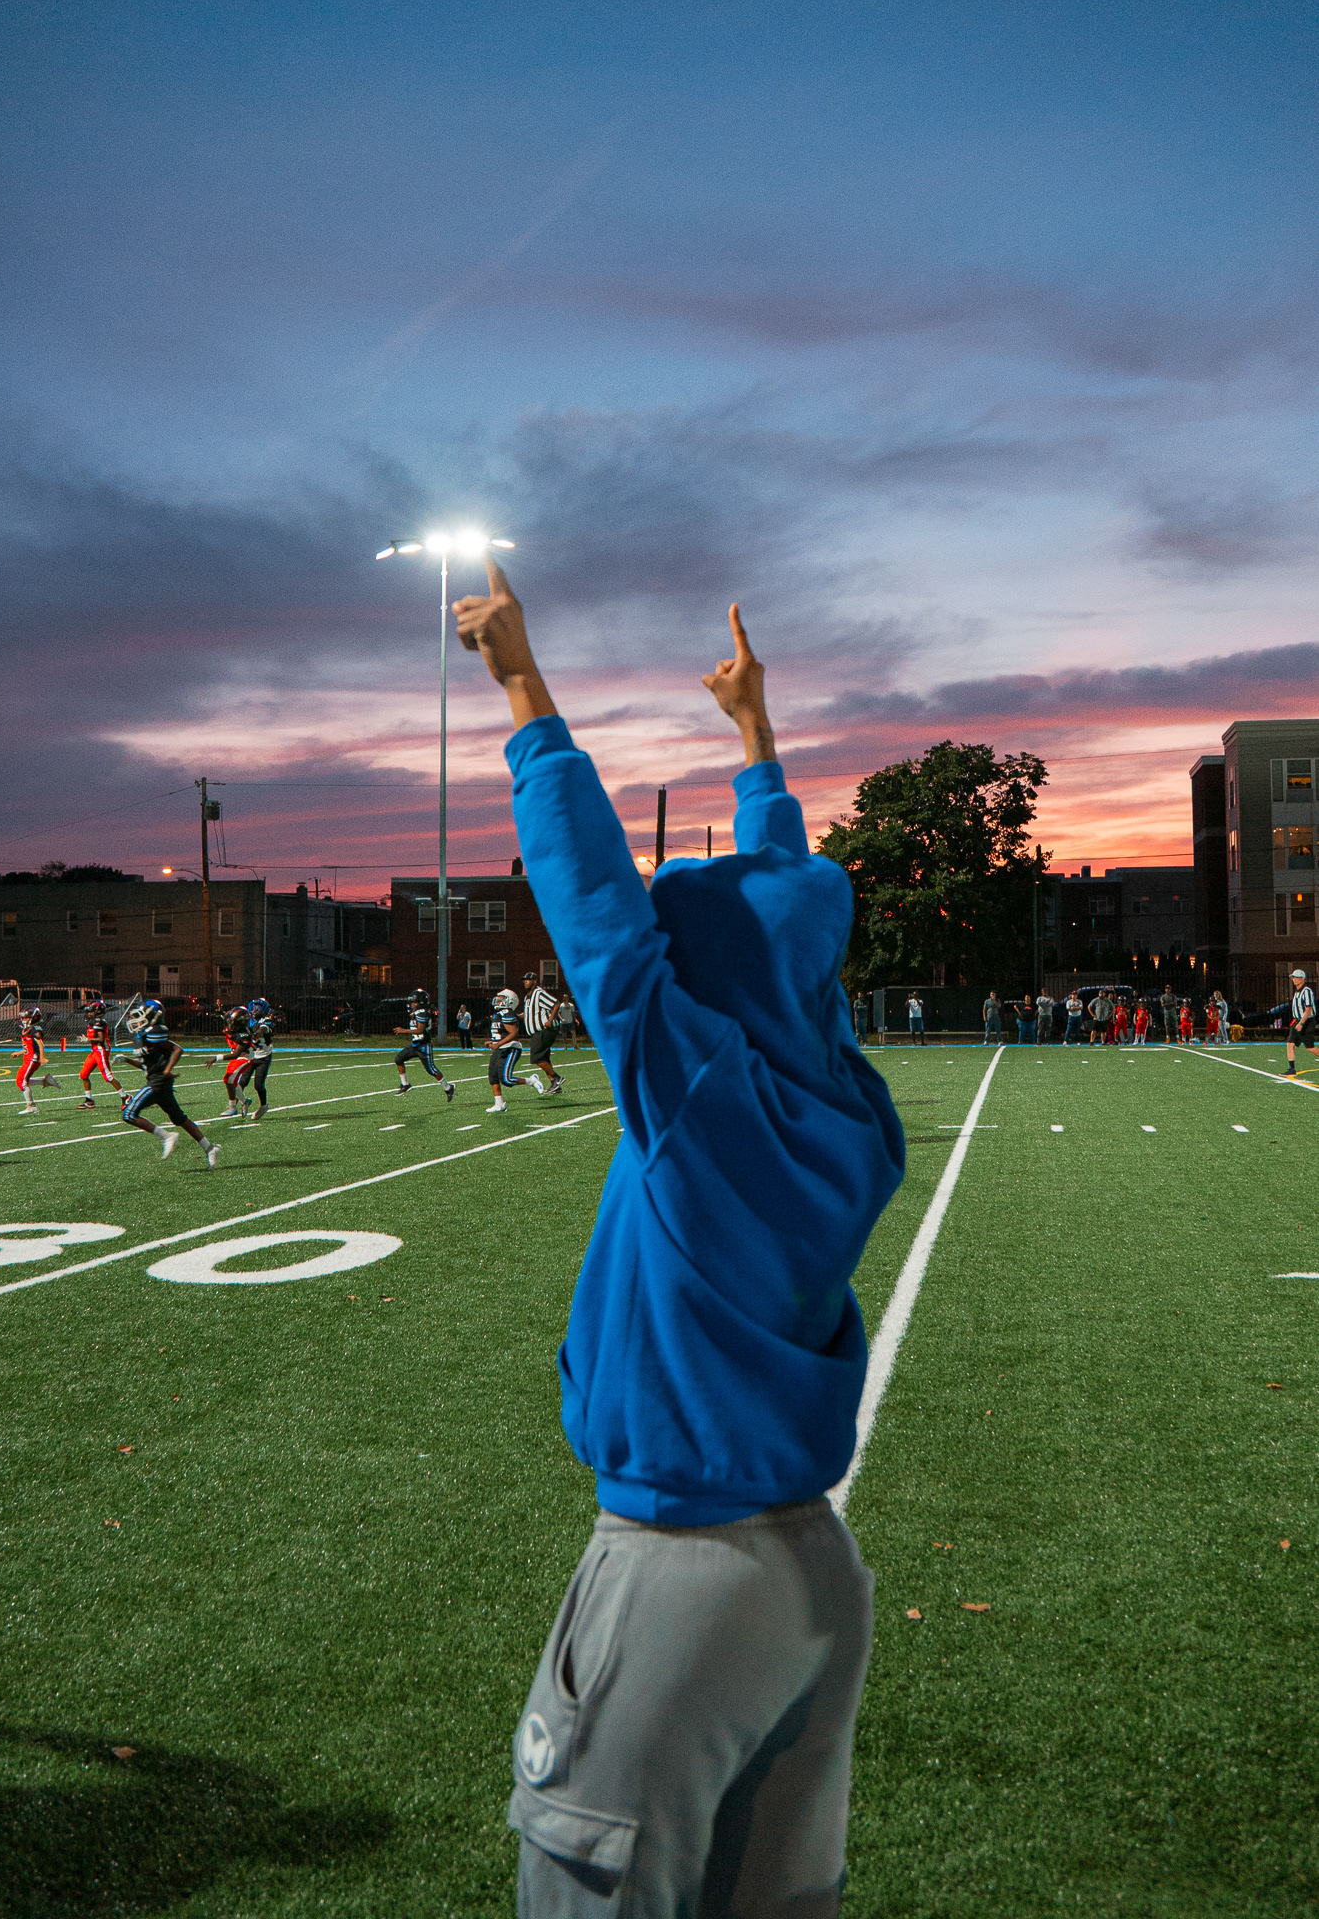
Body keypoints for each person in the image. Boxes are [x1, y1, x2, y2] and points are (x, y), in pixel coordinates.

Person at [450, 560, 904, 1919]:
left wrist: (525, 689)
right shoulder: (837, 1107)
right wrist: (756, 745)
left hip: (682, 1574)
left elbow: (599, 925)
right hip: (807, 1580)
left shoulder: (703, 1114)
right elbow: (785, 907)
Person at [118, 1000, 220, 1165]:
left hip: (158, 1083)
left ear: (153, 1017)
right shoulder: (144, 1036)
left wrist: (167, 1070)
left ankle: (167, 1136)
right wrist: (127, 1060)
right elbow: (147, 1066)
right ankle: (210, 1148)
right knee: (179, 1119)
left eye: (140, 1016)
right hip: (160, 1082)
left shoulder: (155, 1032)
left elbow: (178, 1049)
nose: (136, 1020)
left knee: (129, 1114)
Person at [393, 990, 455, 1103]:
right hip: (415, 1045)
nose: (412, 1004)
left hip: (424, 1046)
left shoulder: (422, 1012)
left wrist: (403, 1031)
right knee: (398, 1059)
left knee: (431, 1070)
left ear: (420, 1002)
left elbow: (420, 1030)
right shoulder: (417, 1012)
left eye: (414, 1002)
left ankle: (448, 1088)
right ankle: (405, 1084)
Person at [486, 986, 536, 1113]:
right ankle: (499, 1103)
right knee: (493, 1076)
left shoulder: (507, 1013)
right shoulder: (498, 1014)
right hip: (500, 1048)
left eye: (502, 998)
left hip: (510, 1048)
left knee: (506, 1080)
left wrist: (497, 1044)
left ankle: (531, 1080)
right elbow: (501, 1033)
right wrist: (493, 1042)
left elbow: (513, 1034)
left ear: (510, 1001)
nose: (498, 1000)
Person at [522, 971, 565, 1094]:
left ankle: (557, 1078)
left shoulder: (539, 993)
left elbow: (556, 1003)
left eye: (528, 979)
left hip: (544, 1031)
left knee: (536, 1057)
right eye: (524, 980)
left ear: (535, 981)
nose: (525, 981)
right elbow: (530, 1013)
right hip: (537, 1032)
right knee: (544, 1058)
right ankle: (555, 1084)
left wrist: (550, 1019)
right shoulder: (527, 997)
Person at [15, 1005, 61, 1116]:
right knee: (20, 1081)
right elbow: (29, 1046)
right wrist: (19, 1052)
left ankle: (31, 1106)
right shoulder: (28, 1029)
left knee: (23, 1082)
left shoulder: (35, 1029)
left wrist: (42, 1057)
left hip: (33, 1059)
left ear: (33, 1018)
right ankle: (45, 1081)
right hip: (28, 1058)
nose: (23, 1020)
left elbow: (40, 1044)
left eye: (25, 1018)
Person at [77, 998, 121, 1109]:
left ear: (97, 1011)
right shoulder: (93, 1023)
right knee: (84, 1074)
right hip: (95, 1051)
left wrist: (87, 1040)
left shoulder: (99, 1022)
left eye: (90, 1011)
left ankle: (125, 1097)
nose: (88, 1013)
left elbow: (100, 1039)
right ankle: (89, 1100)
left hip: (101, 1050)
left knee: (108, 1077)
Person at [241, 998, 275, 1122]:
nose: (255, 1009)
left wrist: (256, 1034)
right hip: (250, 1056)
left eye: (258, 1007)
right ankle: (243, 1102)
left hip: (263, 1055)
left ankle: (263, 1106)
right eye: (253, 1006)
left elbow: (263, 1029)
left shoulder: (266, 1020)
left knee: (258, 1085)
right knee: (242, 1082)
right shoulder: (246, 1020)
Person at [1280, 967, 1316, 1076]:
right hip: (1297, 1021)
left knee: (1310, 1048)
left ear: (1303, 979)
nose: (1294, 979)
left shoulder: (1307, 991)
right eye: (1294, 977)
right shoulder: (1297, 992)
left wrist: (1301, 1023)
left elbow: (1308, 1009)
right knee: (1290, 1043)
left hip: (1306, 1021)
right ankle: (1291, 1068)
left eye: (1297, 977)